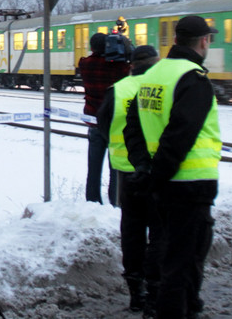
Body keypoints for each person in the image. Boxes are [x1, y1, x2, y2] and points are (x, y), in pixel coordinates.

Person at [124, 15, 220, 319]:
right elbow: (180, 134)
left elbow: (132, 127)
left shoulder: (155, 74)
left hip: (163, 186)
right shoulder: (193, 78)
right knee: (183, 262)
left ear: (175, 40)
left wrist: (144, 167)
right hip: (190, 185)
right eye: (209, 39)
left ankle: (191, 308)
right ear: (203, 41)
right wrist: (157, 175)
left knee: (175, 257)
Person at [96, 44, 162, 313]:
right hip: (159, 171)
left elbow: (103, 123)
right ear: (155, 63)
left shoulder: (119, 89)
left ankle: (136, 290)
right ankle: (156, 289)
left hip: (125, 171)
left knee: (132, 232)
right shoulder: (162, 87)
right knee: (159, 232)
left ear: (132, 64)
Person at [79, 30, 131, 204]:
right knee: (115, 166)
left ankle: (92, 200)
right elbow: (127, 71)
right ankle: (115, 200)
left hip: (94, 121)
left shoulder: (85, 64)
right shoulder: (118, 66)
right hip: (115, 122)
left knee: (93, 167)